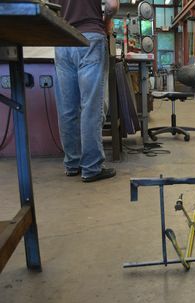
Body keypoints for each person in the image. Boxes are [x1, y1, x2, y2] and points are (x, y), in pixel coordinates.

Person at [52, 0, 119, 182]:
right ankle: (91, 167)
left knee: (67, 108)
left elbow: (49, 8)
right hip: (90, 37)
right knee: (90, 107)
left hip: (63, 39)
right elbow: (112, 5)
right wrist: (106, 22)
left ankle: (72, 164)